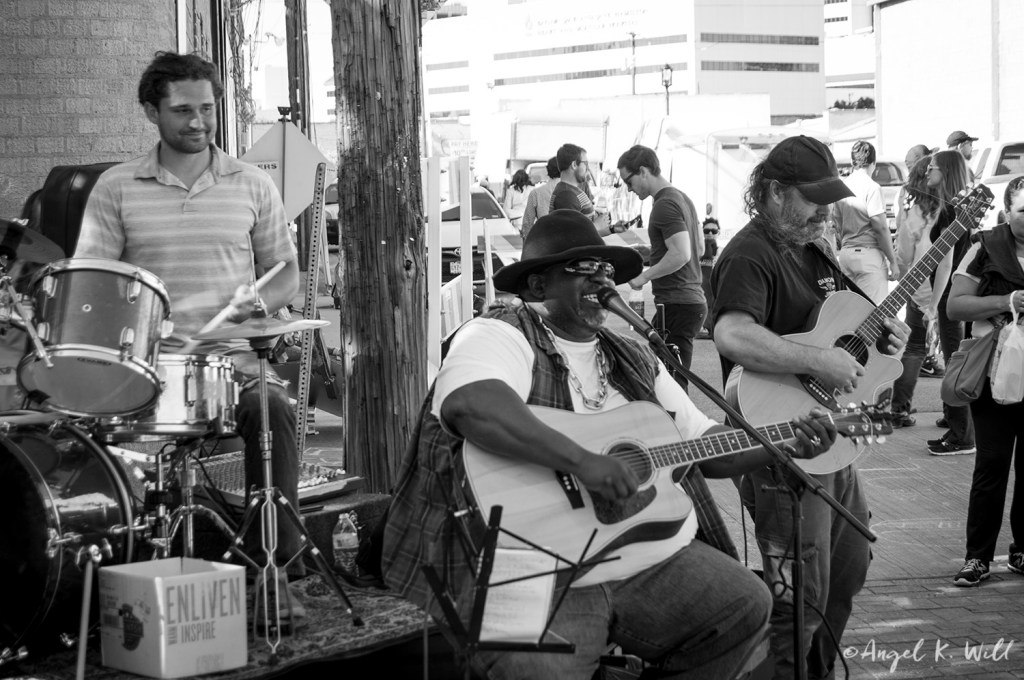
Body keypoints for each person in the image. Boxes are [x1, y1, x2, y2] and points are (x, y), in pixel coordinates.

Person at [382, 209, 841, 680]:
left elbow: (701, 439)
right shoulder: (500, 332)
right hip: (536, 564)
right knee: (537, 672)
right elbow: (472, 404)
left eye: (607, 271)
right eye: (584, 271)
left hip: (640, 557)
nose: (603, 281)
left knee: (744, 605)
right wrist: (582, 461)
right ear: (539, 287)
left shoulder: (634, 355)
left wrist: (781, 443)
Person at [76, 52, 306, 625]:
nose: (198, 121)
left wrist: (259, 305)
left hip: (229, 360)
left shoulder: (252, 183)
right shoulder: (116, 186)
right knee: (72, 422)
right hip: (146, 365)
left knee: (271, 406)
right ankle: (100, 579)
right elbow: (92, 283)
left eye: (207, 108)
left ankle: (274, 571)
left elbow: (285, 273)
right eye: (182, 110)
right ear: (152, 111)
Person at [710, 135, 908, 680]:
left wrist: (883, 334)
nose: (825, 210)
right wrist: (820, 361)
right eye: (812, 198)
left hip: (834, 439)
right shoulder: (750, 253)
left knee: (846, 573)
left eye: (828, 197)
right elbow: (731, 335)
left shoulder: (813, 246)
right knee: (800, 597)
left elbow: (845, 322)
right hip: (780, 445)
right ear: (774, 192)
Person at [946, 176, 1024, 586]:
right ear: (1007, 213)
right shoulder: (984, 246)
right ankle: (977, 557)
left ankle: (1021, 552)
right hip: (995, 373)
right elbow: (955, 305)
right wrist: (1005, 302)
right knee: (992, 464)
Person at [618, 144, 706, 391]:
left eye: (629, 181)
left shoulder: (663, 205)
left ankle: (680, 428)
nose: (629, 188)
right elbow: (697, 249)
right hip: (688, 303)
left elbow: (682, 253)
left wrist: (644, 277)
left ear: (643, 171)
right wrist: (653, 253)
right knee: (665, 376)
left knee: (671, 385)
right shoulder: (682, 198)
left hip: (677, 303)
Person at [889, 154, 955, 427]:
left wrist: (906, 280)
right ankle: (953, 414)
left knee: (914, 349)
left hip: (918, 287)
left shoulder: (915, 210)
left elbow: (903, 254)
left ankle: (898, 408)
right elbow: (946, 260)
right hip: (940, 288)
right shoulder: (949, 209)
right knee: (949, 352)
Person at [924, 150, 977, 455]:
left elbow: (944, 263)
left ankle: (962, 437)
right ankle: (955, 424)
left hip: (949, 297)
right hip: (957, 294)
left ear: (945, 172)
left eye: (931, 168)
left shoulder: (952, 211)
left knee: (955, 364)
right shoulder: (959, 208)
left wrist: (933, 306)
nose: (927, 173)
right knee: (957, 360)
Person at [833, 140, 898, 303]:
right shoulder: (872, 187)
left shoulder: (842, 186)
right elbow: (881, 228)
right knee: (872, 314)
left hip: (846, 255)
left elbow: (837, 224)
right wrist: (893, 261)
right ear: (873, 163)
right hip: (869, 255)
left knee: (850, 312)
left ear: (852, 162)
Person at [550, 143, 617, 235]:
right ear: (574, 165)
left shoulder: (570, 191)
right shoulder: (566, 195)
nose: (588, 168)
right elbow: (571, 235)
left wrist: (613, 229)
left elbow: (585, 232)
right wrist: (596, 225)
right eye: (585, 163)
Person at [521, 156, 558, 237]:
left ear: (548, 170)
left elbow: (527, 223)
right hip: (568, 243)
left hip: (544, 240)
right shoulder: (574, 191)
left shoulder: (536, 193)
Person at [699, 213, 720, 338]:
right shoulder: (696, 251)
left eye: (713, 231)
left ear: (718, 232)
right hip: (700, 297)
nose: (710, 234)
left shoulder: (724, 251)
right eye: (707, 231)